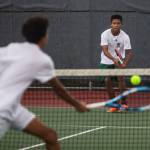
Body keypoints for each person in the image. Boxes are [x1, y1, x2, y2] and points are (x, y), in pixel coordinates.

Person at [0, 16, 89, 150]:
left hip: (13, 108)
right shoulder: (42, 60)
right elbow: (59, 90)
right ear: (44, 36)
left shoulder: (10, 48)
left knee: (50, 136)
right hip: (2, 111)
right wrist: (78, 105)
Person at [99, 14, 133, 112]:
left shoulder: (125, 36)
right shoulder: (105, 34)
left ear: (121, 24)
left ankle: (124, 103)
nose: (116, 25)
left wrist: (125, 63)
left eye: (118, 23)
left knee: (121, 80)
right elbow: (105, 51)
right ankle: (114, 105)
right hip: (106, 61)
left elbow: (130, 53)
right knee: (107, 81)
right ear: (111, 24)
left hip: (119, 62)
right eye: (114, 23)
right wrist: (114, 59)